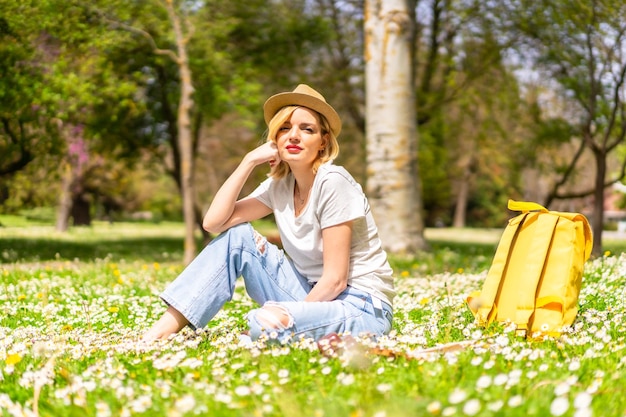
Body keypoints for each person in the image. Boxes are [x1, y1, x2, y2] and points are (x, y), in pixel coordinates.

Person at [143, 84, 395, 343]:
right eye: (285, 128)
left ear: (323, 142)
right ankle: (158, 333)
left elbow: (335, 280)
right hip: (312, 296)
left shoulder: (333, 182)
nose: (293, 136)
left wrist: (291, 314)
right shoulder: (280, 185)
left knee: (265, 322)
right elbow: (214, 223)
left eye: (306, 129)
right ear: (275, 137)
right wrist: (249, 161)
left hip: (360, 306)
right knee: (238, 237)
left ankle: (283, 327)